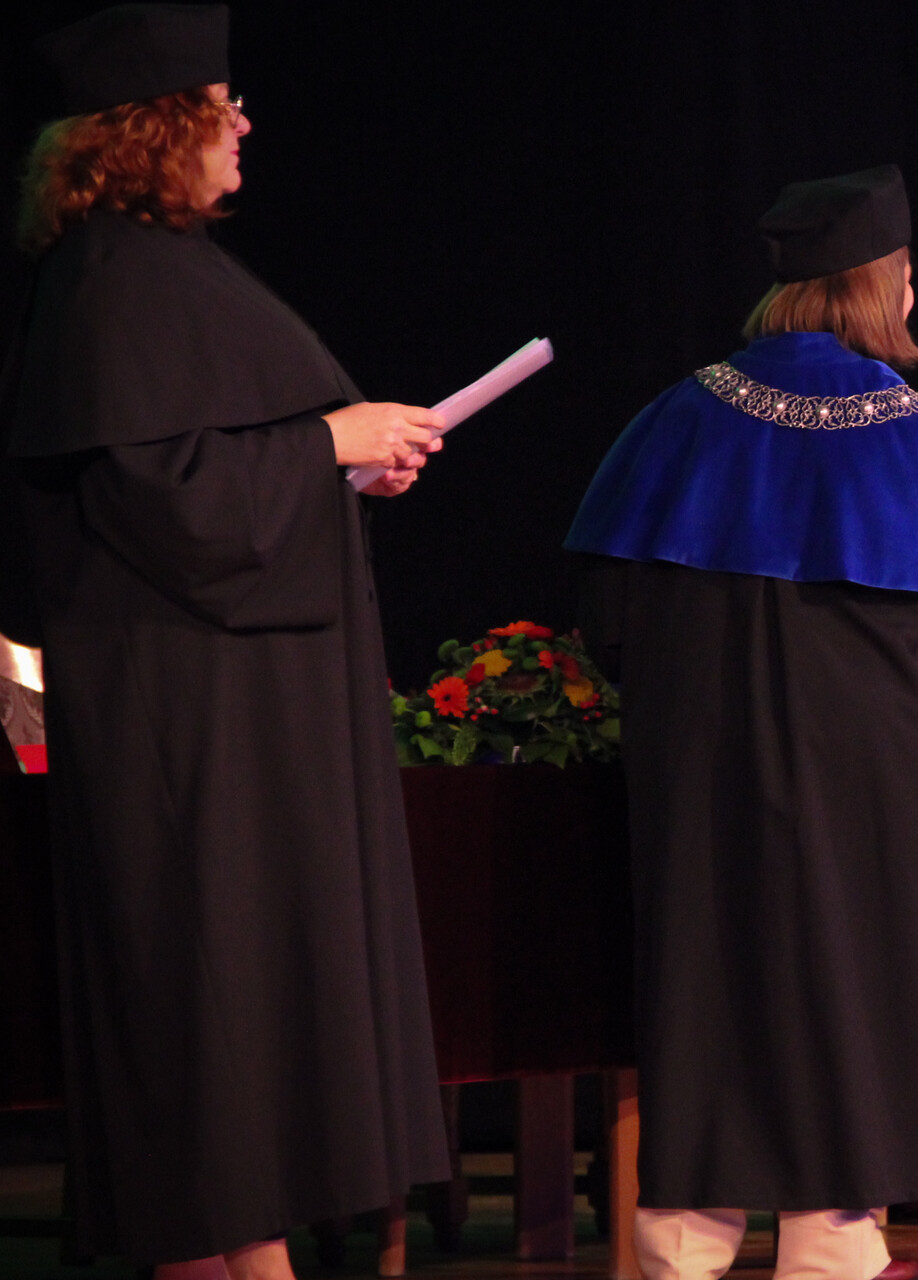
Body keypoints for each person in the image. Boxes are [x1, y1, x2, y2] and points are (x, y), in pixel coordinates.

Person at [4, 7, 451, 1277]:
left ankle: (239, 1252)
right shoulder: (115, 280)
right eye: (220, 103)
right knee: (208, 985)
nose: (244, 122)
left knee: (253, 983)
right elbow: (162, 496)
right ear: (157, 129)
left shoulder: (164, 269)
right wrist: (325, 444)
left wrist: (341, 468)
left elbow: (212, 466)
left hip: (240, 698)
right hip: (185, 716)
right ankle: (224, 1253)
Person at [566, 164, 918, 1280]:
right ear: (885, 284)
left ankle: (684, 1236)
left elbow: (608, 616)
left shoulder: (677, 418)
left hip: (702, 777)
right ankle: (829, 1239)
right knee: (853, 990)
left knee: (711, 981)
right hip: (876, 785)